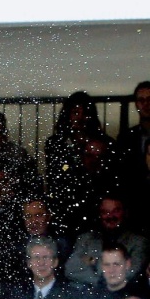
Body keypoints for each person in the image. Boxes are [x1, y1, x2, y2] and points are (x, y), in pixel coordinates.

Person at [45, 91, 116, 238]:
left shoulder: (105, 143)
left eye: (85, 113)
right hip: (64, 210)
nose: (80, 118)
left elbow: (108, 178)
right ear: (67, 115)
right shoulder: (55, 144)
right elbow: (54, 176)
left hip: (95, 210)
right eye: (75, 112)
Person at [65, 196, 148, 286]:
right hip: (88, 294)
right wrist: (99, 281)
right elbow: (70, 269)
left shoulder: (138, 242)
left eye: (115, 211)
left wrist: (93, 261)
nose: (110, 216)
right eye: (105, 212)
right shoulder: (85, 239)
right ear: (100, 215)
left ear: (125, 213)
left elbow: (132, 273)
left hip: (122, 295)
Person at [115, 81, 150, 215]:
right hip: (136, 208)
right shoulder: (126, 138)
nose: (146, 104)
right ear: (136, 103)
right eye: (141, 100)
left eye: (149, 99)